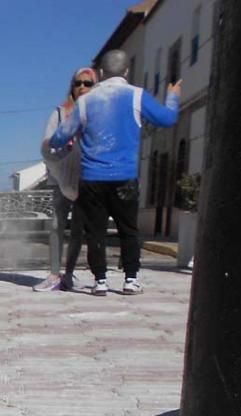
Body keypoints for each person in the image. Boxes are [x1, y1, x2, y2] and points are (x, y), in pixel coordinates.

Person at [48, 49, 180, 296]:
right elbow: (168, 119)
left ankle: (100, 281)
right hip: (125, 177)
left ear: (99, 73)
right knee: (128, 230)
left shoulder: (85, 101)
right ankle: (130, 279)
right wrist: (173, 96)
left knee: (94, 231)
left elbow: (59, 137)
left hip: (92, 178)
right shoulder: (137, 96)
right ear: (127, 71)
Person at [34, 67, 96, 292]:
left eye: (87, 84)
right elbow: (47, 143)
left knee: (78, 227)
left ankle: (69, 273)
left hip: (85, 178)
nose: (82, 87)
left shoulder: (98, 113)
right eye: (78, 83)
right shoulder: (60, 113)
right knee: (56, 225)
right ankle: (53, 273)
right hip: (59, 178)